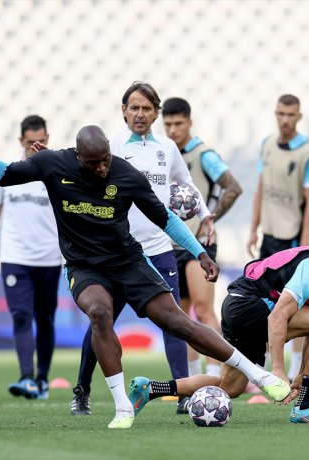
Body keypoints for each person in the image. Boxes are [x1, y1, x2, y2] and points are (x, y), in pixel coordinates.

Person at [0, 125, 291, 429]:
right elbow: (3, 175)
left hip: (128, 262)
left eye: (106, 160)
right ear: (79, 157)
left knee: (177, 322)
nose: (102, 168)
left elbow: (165, 218)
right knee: (99, 313)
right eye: (94, 163)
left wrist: (200, 253)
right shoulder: (52, 164)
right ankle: (123, 406)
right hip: (84, 267)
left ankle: (259, 376)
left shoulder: (126, 174)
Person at [71, 82, 214, 416]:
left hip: (159, 249)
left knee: (174, 321)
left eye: (146, 108)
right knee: (101, 320)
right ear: (123, 110)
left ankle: (183, 393)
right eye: (134, 107)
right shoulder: (112, 147)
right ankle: (82, 390)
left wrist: (205, 215)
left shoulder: (167, 148)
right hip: (117, 253)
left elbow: (187, 185)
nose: (139, 114)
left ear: (155, 113)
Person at [129, 243, 309, 424]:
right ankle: (305, 407)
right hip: (246, 304)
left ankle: (151, 388)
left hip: (244, 311)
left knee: (230, 387)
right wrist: (279, 371)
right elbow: (278, 316)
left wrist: (301, 375)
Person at [0, 115, 61, 400]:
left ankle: (42, 379)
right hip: (15, 257)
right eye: (30, 142)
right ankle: (27, 378)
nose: (36, 146)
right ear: (20, 141)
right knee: (21, 316)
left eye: (41, 141)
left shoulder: (57, 171)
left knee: (45, 319)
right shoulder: (7, 172)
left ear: (48, 138)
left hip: (49, 258)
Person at [246, 94, 309, 383]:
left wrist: (305, 247)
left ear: (299, 117)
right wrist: (253, 228)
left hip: (294, 238)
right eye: (280, 113)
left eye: (290, 114)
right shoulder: (267, 145)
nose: (284, 119)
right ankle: (262, 369)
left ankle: (293, 372)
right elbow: (261, 188)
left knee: (295, 304)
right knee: (264, 302)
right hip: (270, 236)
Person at [162, 96, 243, 382]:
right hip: (169, 243)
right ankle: (191, 381)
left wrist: (208, 220)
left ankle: (217, 376)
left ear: (190, 122)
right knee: (179, 317)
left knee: (203, 309)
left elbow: (233, 187)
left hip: (199, 244)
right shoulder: (162, 153)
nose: (173, 129)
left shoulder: (203, 154)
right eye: (168, 124)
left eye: (178, 123)